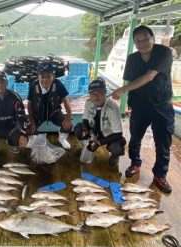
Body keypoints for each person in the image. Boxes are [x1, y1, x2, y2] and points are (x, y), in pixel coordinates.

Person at [112, 25, 175, 193]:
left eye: (145, 39)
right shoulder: (132, 58)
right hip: (139, 104)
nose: (142, 43)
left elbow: (149, 76)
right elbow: (129, 82)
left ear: (153, 38)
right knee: (135, 137)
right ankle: (135, 162)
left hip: (162, 104)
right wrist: (126, 102)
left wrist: (121, 91)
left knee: (163, 142)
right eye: (138, 41)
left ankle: (160, 175)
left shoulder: (164, 53)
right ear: (134, 43)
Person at [74, 78, 126, 165]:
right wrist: (84, 129)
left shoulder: (113, 108)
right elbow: (85, 119)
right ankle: (87, 146)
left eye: (100, 92)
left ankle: (115, 155)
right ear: (89, 94)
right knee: (78, 128)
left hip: (108, 134)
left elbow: (118, 133)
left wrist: (99, 143)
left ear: (105, 92)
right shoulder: (88, 102)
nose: (96, 96)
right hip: (94, 131)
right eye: (93, 93)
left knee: (117, 146)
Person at [27, 62, 73, 149]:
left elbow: (66, 101)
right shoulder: (33, 85)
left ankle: (62, 138)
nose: (45, 79)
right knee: (28, 126)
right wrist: (32, 121)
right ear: (38, 77)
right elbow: (29, 104)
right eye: (42, 77)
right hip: (38, 113)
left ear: (53, 76)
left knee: (68, 125)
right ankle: (32, 137)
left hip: (54, 112)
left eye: (48, 76)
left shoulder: (58, 84)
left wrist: (68, 118)